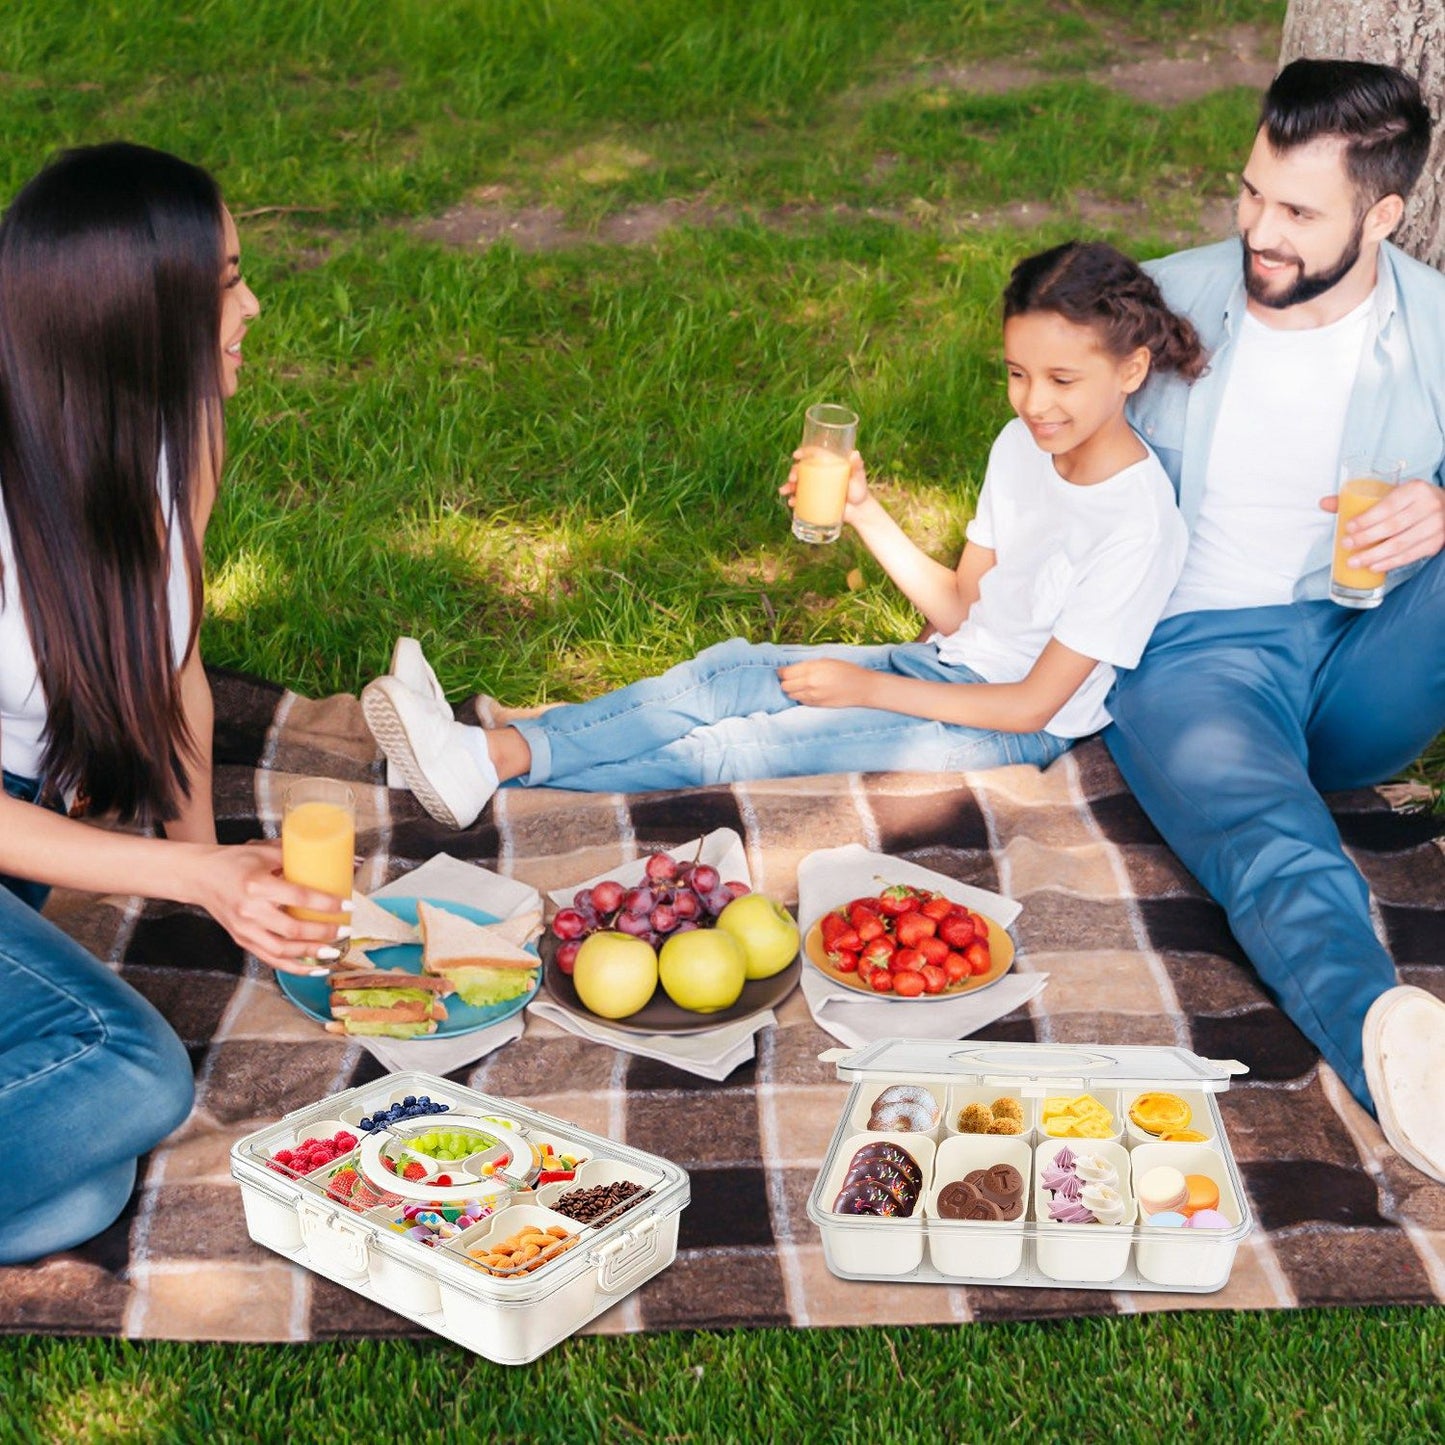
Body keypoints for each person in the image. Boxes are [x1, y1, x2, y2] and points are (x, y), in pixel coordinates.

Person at [364, 240, 1202, 832]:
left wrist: (865, 685)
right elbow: (961, 607)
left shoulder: (1137, 524)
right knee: (726, 670)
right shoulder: (1021, 444)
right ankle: (478, 756)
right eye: (1017, 373)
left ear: (1130, 371)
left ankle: (483, 763)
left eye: (1062, 379)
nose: (1033, 402)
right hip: (946, 667)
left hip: (1006, 724)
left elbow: (1030, 703)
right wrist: (865, 509)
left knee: (740, 742)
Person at [0, 143, 354, 1264]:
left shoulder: (172, 430)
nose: (252, 304)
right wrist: (187, 873)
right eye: (223, 285)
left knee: (75, 1197)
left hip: (27, 836)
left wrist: (209, 869)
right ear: (131, 317)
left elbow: (175, 662)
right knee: (128, 1067)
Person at [1108, 59, 1445, 1181]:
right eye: (1250, 192)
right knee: (1268, 836)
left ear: (1383, 215)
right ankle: (1386, 1034)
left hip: (1365, 648)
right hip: (1199, 652)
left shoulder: (1435, 328)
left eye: (1298, 211)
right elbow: (1035, 481)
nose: (1259, 229)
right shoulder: (1154, 304)